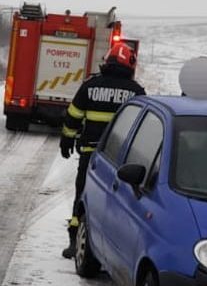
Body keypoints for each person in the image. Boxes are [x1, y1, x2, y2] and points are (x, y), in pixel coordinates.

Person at [60, 42, 145, 258]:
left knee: (83, 196)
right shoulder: (136, 92)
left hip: (92, 156)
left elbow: (73, 115)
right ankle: (112, 247)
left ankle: (75, 242)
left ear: (107, 61)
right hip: (123, 163)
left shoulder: (90, 86)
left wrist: (67, 139)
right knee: (118, 204)